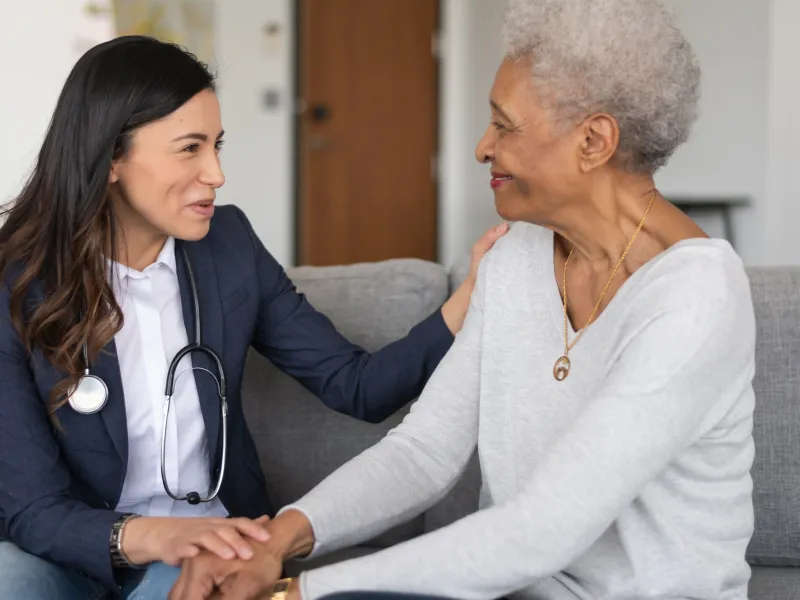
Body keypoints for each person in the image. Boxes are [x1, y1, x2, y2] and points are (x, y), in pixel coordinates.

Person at [169, 0, 759, 599]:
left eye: (504, 125)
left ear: (594, 140)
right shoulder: (519, 257)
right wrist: (277, 542)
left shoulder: (694, 296)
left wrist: (298, 593)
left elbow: (542, 531)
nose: (482, 147)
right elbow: (424, 452)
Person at [0, 36, 506, 600]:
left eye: (217, 146)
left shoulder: (229, 247)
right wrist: (149, 535)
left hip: (203, 550)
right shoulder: (16, 283)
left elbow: (357, 386)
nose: (216, 173)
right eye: (189, 148)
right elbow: (33, 510)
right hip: (67, 551)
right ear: (111, 158)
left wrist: (466, 299)